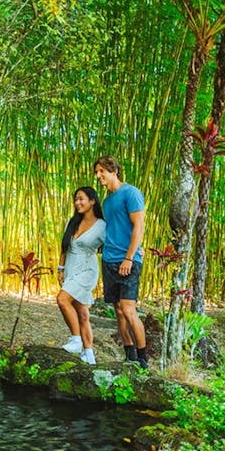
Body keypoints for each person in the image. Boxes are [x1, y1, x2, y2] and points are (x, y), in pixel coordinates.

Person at [94, 156, 148, 369]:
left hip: (128, 261)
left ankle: (143, 359)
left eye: (101, 171)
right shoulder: (107, 201)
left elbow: (138, 227)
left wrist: (129, 257)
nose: (98, 176)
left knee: (128, 309)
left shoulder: (131, 193)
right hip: (109, 260)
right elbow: (112, 229)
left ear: (114, 170)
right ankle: (130, 354)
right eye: (97, 172)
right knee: (117, 309)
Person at [57, 186, 106, 365]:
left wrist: (131, 256)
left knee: (62, 299)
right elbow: (64, 247)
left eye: (81, 199)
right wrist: (60, 268)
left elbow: (113, 243)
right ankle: (89, 354)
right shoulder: (73, 222)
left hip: (87, 270)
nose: (77, 202)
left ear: (92, 201)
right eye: (75, 199)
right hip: (71, 268)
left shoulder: (102, 226)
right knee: (82, 313)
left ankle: (76, 340)